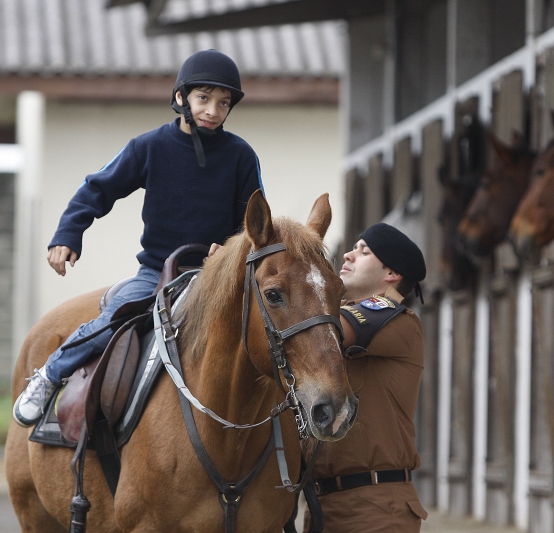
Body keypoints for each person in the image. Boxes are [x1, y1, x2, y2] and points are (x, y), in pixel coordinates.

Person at [13, 49, 263, 427]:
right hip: (157, 272)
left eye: (223, 102)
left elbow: (254, 223)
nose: (213, 110)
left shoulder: (242, 156)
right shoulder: (150, 146)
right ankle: (49, 375)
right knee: (118, 319)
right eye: (203, 99)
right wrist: (67, 234)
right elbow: (97, 189)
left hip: (218, 275)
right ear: (181, 97)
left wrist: (231, 248)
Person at [305, 222, 429, 532]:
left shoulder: (393, 318)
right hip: (321, 505)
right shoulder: (344, 314)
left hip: (374, 508)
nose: (348, 254)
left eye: (364, 251)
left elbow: (321, 332)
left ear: (392, 274)